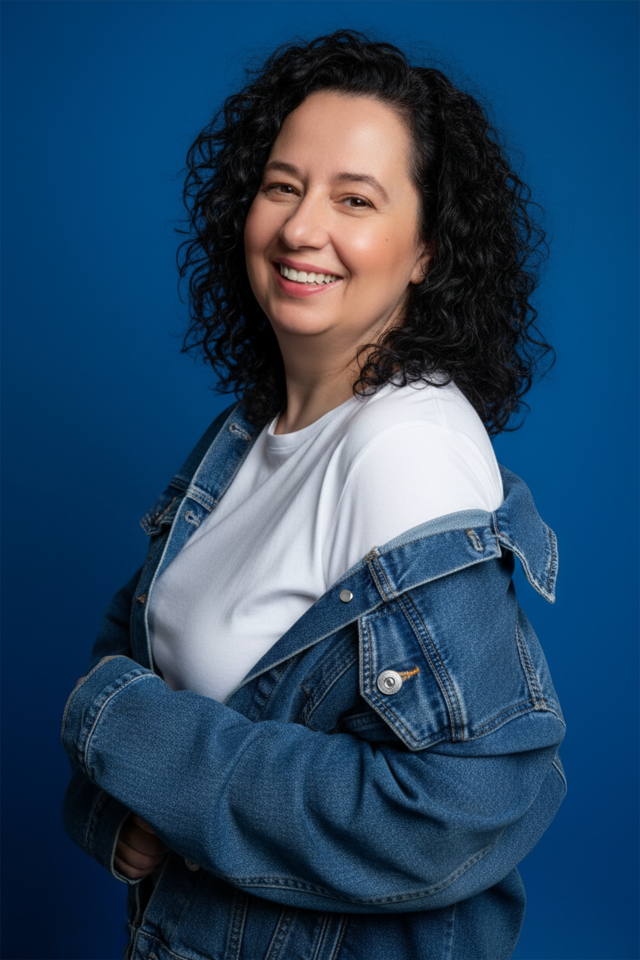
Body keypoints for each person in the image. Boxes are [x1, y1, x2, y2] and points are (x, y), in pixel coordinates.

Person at [61, 30, 566, 960]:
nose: (301, 229)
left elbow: (461, 807)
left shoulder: (404, 450)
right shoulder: (250, 432)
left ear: (426, 250)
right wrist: (119, 803)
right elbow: (144, 642)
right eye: (282, 186)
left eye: (355, 199)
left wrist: (120, 733)